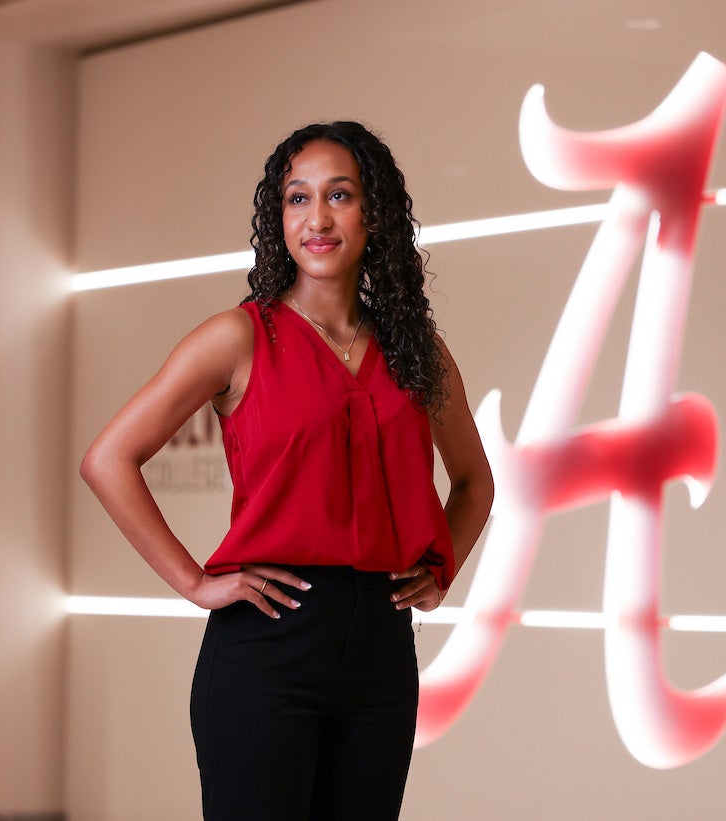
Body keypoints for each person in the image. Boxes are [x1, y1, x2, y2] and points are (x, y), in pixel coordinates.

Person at [80, 120, 494, 820]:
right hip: (267, 646)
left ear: (375, 214)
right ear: (278, 218)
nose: (317, 219)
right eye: (298, 198)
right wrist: (194, 582)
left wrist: (440, 570)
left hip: (381, 651)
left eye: (340, 195)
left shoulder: (416, 348)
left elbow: (476, 482)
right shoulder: (237, 337)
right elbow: (107, 459)